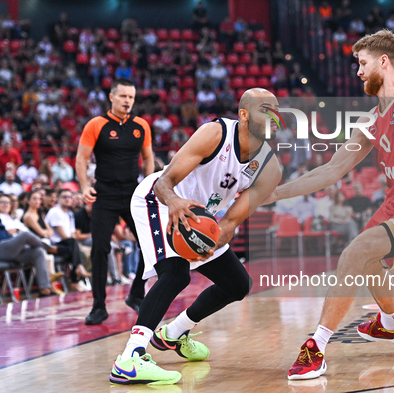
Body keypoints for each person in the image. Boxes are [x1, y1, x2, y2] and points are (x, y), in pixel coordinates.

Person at [262, 30, 394, 380]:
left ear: (383, 61)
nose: (357, 72)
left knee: (353, 252)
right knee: (370, 264)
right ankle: (390, 323)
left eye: (362, 63)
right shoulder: (370, 121)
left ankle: (316, 346)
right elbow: (331, 170)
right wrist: (274, 194)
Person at [109, 88, 281, 385]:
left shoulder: (270, 168)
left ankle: (173, 334)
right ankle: (130, 359)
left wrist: (209, 244)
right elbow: (165, 182)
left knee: (238, 284)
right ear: (243, 115)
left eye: (276, 110)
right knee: (176, 274)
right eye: (265, 109)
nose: (273, 116)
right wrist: (175, 203)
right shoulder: (214, 134)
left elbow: (230, 222)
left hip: (202, 220)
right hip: (161, 202)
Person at [76, 78, 155, 325]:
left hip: (133, 193)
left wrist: (149, 185)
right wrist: (84, 187)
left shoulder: (141, 125)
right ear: (112, 97)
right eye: (123, 96)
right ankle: (98, 306)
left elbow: (148, 158)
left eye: (131, 97)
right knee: (100, 249)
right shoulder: (96, 124)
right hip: (105, 194)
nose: (127, 101)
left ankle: (136, 294)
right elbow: (81, 159)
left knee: (149, 244)